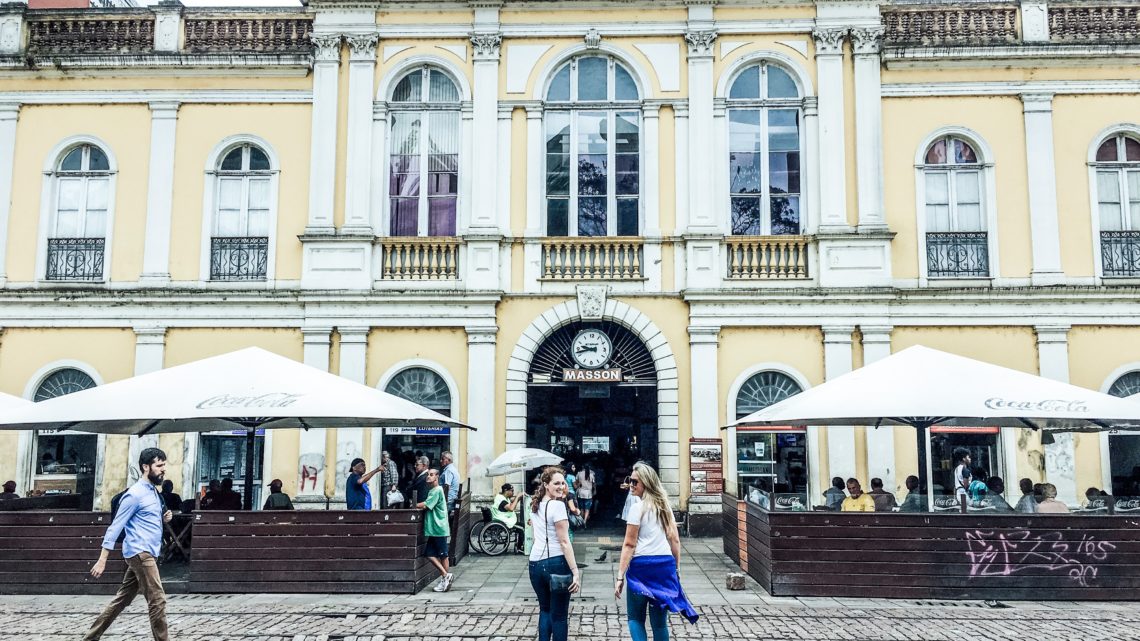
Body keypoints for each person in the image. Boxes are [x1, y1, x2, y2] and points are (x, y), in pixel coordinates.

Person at [82, 448, 173, 641]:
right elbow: (115, 527)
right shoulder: (134, 494)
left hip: (147, 551)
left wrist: (164, 517)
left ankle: (90, 637)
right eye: (159, 466)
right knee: (157, 600)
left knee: (122, 599)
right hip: (140, 552)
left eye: (164, 465)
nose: (163, 469)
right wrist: (102, 559)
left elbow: (148, 519)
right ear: (145, 467)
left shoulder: (153, 493)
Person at [615, 462, 698, 641]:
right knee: (659, 623)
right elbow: (674, 539)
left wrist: (620, 576)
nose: (631, 485)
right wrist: (675, 569)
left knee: (635, 618)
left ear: (647, 483)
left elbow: (629, 544)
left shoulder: (637, 508)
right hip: (663, 567)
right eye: (630, 480)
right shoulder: (664, 506)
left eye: (635, 482)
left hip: (641, 568)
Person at [529, 466, 581, 641]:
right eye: (556, 483)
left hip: (535, 564)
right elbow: (565, 542)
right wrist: (575, 571)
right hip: (556, 562)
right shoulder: (557, 506)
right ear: (546, 484)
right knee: (559, 615)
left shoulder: (535, 505)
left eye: (563, 483)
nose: (561, 486)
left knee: (545, 610)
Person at [416, 468, 453, 592]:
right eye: (428, 474)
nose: (428, 477)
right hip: (435, 528)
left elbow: (427, 504)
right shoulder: (434, 490)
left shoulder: (436, 490)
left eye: (431, 475)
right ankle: (445, 576)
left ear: (437, 477)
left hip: (438, 527)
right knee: (430, 554)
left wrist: (414, 503)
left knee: (443, 555)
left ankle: (445, 577)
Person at [493, 483, 524, 553]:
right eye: (512, 491)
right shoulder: (502, 501)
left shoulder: (502, 497)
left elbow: (512, 501)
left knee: (521, 525)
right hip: (505, 521)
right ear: (506, 491)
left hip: (504, 519)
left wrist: (518, 498)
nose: (513, 492)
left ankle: (518, 546)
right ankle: (519, 548)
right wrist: (518, 497)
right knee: (522, 528)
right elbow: (511, 508)